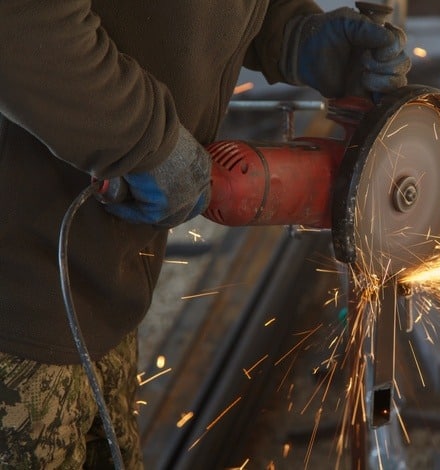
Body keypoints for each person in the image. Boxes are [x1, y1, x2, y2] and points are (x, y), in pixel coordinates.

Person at [0, 0, 410, 467]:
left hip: (101, 286)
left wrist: (287, 32)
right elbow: (19, 17)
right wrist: (142, 139)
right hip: (16, 305)